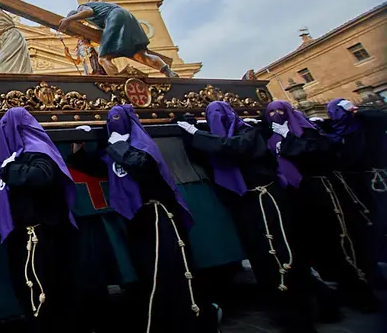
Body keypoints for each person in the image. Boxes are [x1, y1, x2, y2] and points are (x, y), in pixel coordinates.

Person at [178, 102, 317, 332]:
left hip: (266, 198)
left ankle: (302, 312)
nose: (217, 120)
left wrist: (197, 133)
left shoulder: (249, 132)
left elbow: (231, 147)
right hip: (245, 203)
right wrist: (189, 133)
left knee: (281, 252)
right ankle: (281, 309)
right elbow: (204, 155)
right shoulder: (215, 140)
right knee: (260, 256)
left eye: (220, 114)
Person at [101, 105, 205, 332]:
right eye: (110, 119)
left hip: (159, 214)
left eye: (117, 118)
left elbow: (141, 165)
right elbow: (103, 166)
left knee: (168, 267)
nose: (113, 123)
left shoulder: (141, 143)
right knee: (148, 270)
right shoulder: (114, 146)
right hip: (139, 218)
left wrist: (118, 145)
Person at [266, 100, 376, 313]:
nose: (277, 115)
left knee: (335, 240)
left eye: (281, 111)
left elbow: (315, 152)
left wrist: (289, 137)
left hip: (319, 192)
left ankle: (358, 291)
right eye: (271, 112)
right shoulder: (272, 138)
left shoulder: (307, 131)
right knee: (310, 244)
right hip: (294, 197)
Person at [0, 107, 78, 333]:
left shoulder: (37, 150)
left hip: (38, 237)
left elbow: (42, 175)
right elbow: (1, 188)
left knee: (41, 297)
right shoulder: (19, 154)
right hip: (24, 237)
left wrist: (9, 168)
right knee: (28, 294)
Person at [324, 98, 387, 291]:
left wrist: (357, 111)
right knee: (365, 227)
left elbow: (380, 116)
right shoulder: (331, 130)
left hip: (375, 180)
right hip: (349, 185)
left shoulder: (365, 124)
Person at [58, 2, 178, 77]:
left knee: (103, 58)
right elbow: (106, 36)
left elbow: (88, 12)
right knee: (142, 55)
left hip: (115, 16)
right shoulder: (99, 17)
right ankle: (168, 72)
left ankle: (118, 81)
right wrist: (88, 42)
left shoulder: (81, 7)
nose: (82, 23)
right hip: (128, 17)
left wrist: (69, 20)